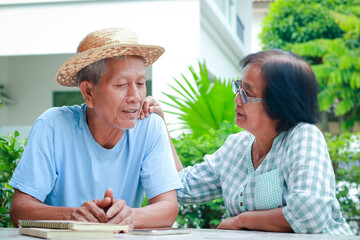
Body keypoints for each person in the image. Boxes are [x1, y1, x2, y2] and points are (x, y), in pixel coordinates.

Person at [143, 49, 353, 234]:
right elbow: (181, 187)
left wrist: (242, 220)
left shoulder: (303, 136)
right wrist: (161, 127)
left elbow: (310, 214)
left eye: (247, 93)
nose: (236, 99)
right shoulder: (236, 146)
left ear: (279, 104)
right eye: (239, 88)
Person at [9, 28, 182, 229]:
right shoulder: (52, 125)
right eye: (121, 84)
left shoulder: (150, 127)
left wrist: (128, 216)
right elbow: (19, 209)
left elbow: (168, 208)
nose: (135, 96)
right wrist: (71, 215)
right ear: (88, 92)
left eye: (141, 83)